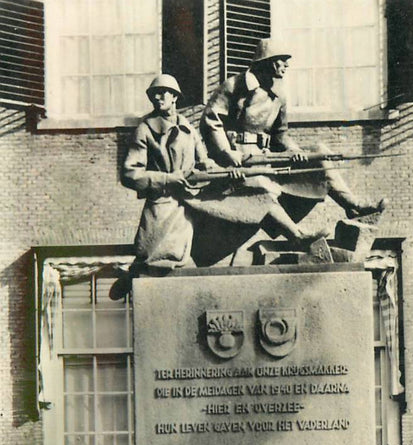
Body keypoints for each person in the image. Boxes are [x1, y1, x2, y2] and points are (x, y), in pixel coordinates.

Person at [199, 37, 386, 236]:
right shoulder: (234, 86)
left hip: (265, 156)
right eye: (282, 60)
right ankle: (296, 235)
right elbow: (211, 120)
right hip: (237, 161)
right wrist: (227, 152)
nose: (287, 65)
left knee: (320, 154)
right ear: (269, 60)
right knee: (261, 186)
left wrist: (294, 151)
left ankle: (352, 205)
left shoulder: (279, 95)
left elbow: (281, 135)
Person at [110, 74, 211, 299]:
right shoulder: (145, 129)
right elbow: (130, 173)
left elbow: (205, 162)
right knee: (152, 257)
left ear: (175, 96)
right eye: (154, 94)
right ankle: (133, 274)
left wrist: (223, 170)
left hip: (190, 203)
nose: (157, 97)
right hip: (162, 204)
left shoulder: (188, 129)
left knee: (190, 259)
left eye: (163, 92)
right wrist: (167, 179)